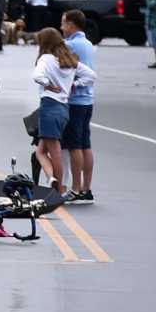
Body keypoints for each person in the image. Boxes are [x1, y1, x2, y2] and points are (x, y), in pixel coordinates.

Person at [29, 27, 92, 195]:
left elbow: (37, 76)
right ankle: (52, 179)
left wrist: (48, 84)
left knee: (53, 152)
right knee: (41, 151)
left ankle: (58, 186)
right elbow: (91, 75)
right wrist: (74, 85)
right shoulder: (68, 60)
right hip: (64, 108)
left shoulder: (46, 59)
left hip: (49, 107)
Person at [60, 10, 98, 202]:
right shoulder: (89, 44)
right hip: (87, 100)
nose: (61, 27)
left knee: (74, 145)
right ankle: (86, 187)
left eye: (63, 24)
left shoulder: (70, 45)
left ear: (72, 25)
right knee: (85, 143)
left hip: (74, 100)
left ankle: (75, 188)